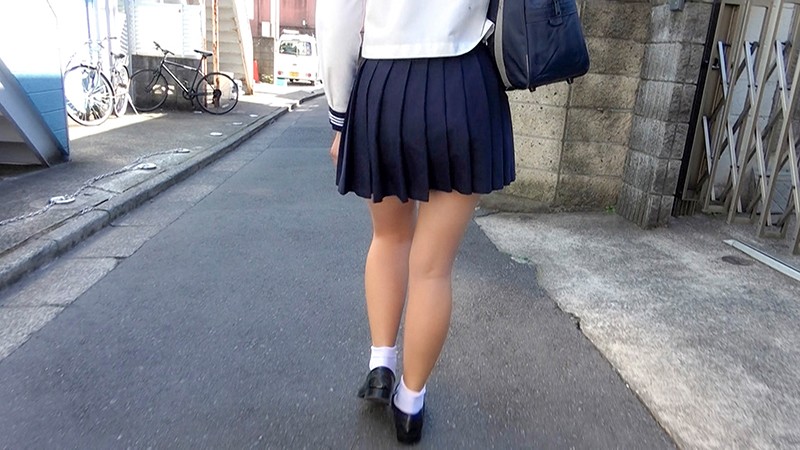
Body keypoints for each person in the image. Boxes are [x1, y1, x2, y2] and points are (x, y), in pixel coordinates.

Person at [316, 0, 515, 444]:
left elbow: (337, 19)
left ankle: (381, 364)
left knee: (388, 237)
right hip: (466, 84)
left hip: (384, 86)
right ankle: (410, 403)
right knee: (433, 267)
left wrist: (339, 115)